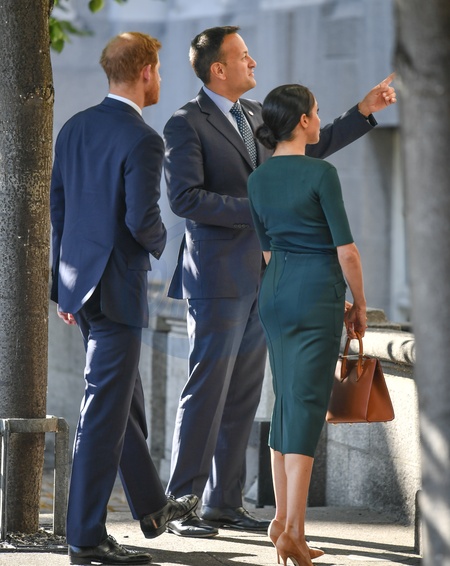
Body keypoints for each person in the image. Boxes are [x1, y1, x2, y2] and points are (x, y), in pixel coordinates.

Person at [163, 25, 396, 538]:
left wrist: (362, 111)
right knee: (207, 390)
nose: (253, 63)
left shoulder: (255, 116)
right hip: (216, 277)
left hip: (267, 278)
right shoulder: (185, 123)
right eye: (243, 56)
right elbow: (184, 199)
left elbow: (304, 148)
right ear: (218, 69)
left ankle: (224, 503)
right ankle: (181, 505)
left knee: (245, 394)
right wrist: (259, 207)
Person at [50, 32, 198, 565]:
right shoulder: (143, 139)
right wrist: (166, 243)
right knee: (103, 410)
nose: (159, 78)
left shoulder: (73, 127)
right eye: (158, 70)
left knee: (120, 399)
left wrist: (62, 285)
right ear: (146, 71)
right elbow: (141, 219)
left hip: (81, 286)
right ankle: (85, 538)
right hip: (117, 288)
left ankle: (153, 508)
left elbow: (59, 210)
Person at [247, 83, 367, 566]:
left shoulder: (258, 178)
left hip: (274, 293)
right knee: (308, 407)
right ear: (302, 121)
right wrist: (360, 303)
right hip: (316, 294)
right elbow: (347, 251)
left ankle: (281, 521)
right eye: (316, 112)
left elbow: (267, 251)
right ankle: (293, 532)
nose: (319, 119)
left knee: (285, 403)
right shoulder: (321, 173)